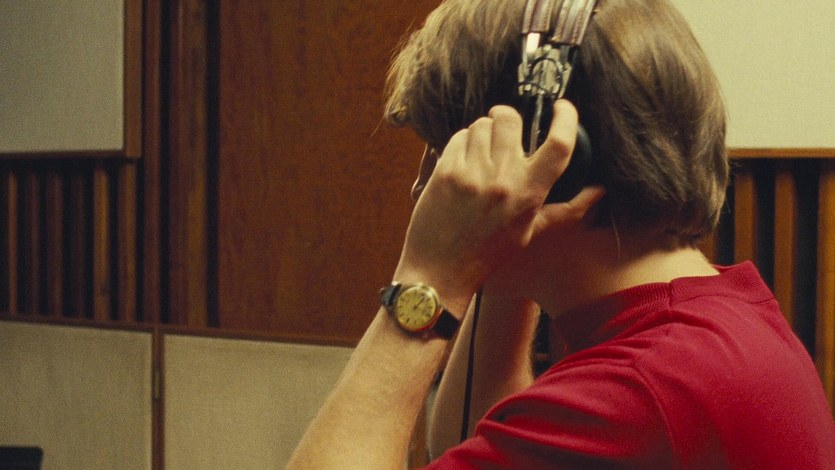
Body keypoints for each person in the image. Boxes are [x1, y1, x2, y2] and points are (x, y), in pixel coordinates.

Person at [287, 0, 835, 468]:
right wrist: (500, 243)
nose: (423, 189)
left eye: (446, 154)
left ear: (561, 162)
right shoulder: (711, 326)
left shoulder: (642, 388)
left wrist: (427, 278)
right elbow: (472, 441)